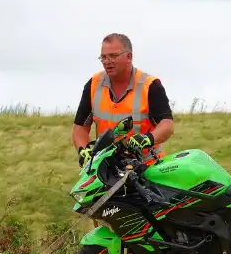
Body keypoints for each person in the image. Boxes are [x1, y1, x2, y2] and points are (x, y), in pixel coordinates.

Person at [72, 33, 175, 168]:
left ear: (129, 57)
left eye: (113, 56)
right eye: (103, 57)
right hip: (106, 168)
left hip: (147, 165)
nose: (107, 61)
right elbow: (79, 127)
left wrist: (148, 139)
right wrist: (83, 150)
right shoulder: (93, 84)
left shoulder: (150, 85)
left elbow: (167, 124)